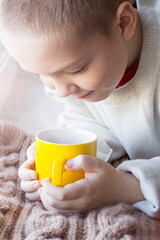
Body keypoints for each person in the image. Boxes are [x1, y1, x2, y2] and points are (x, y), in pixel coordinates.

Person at [0, 0, 160, 219]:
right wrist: (62, 156)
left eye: (76, 69)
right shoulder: (79, 85)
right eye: (40, 74)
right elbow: (88, 119)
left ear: (124, 24)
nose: (61, 91)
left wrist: (124, 187)